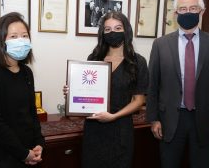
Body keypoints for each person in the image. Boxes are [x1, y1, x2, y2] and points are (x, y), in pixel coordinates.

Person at [146, 0, 209, 168]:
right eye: (183, 9)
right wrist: (153, 119)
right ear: (176, 12)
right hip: (170, 121)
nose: (188, 13)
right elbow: (152, 86)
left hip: (205, 122)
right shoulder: (160, 44)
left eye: (193, 8)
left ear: (202, 11)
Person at [64, 11, 149, 168]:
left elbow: (139, 101)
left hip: (121, 129)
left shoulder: (138, 62)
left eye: (118, 28)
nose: (113, 33)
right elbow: (85, 90)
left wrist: (114, 116)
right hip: (94, 129)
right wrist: (72, 92)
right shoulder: (94, 58)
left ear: (126, 30)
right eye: (108, 29)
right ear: (102, 33)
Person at [0, 12, 45, 168]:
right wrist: (23, 153)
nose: (21, 40)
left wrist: (39, 142)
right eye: (13, 36)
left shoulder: (27, 72)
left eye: (25, 36)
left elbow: (31, 112)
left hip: (27, 154)